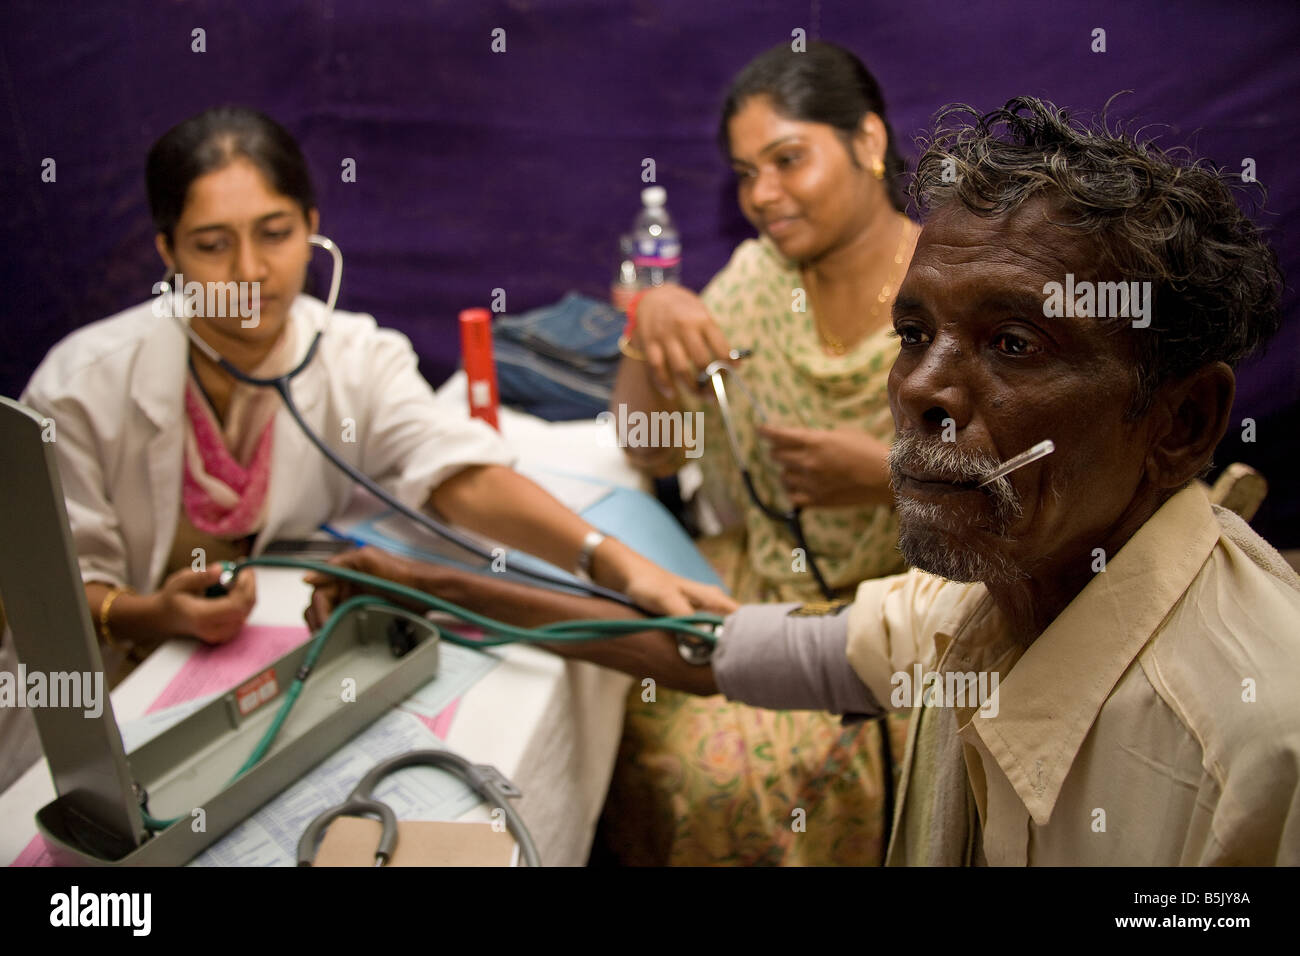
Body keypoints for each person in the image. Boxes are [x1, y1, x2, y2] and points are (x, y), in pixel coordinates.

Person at [310, 96, 1299, 864]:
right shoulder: (971, 606)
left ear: (1181, 423)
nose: (921, 387)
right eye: (912, 334)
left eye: (1012, 341)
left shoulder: (1258, 749)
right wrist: (425, 586)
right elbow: (713, 650)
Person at [19, 106, 731, 686]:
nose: (249, 271)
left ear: (312, 230)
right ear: (167, 253)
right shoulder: (81, 389)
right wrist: (149, 614)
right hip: (104, 691)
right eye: (211, 245)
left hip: (260, 669)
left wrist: (614, 563)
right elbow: (42, 597)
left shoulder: (356, 355)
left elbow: (455, 472)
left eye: (274, 234)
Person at [605, 42, 920, 865]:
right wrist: (650, 325)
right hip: (760, 574)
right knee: (617, 682)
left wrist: (894, 481)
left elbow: (1041, 492)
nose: (763, 197)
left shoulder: (950, 293)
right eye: (747, 173)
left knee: (721, 780)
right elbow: (651, 449)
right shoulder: (756, 282)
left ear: (870, 143)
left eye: (787, 160)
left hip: (904, 618)